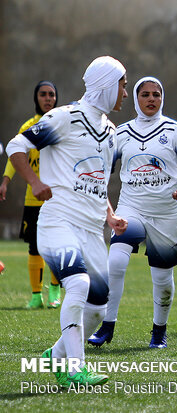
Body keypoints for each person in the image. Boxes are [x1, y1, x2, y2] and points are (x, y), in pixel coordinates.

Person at [7, 56, 128, 387]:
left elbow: (98, 182)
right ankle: (75, 369)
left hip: (92, 230)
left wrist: (111, 215)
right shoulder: (63, 117)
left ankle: (55, 356)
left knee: (99, 309)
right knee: (79, 284)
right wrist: (33, 181)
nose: (126, 92)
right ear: (105, 84)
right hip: (57, 221)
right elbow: (16, 146)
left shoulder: (111, 132)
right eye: (122, 84)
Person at [87, 76, 177, 349]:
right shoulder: (122, 133)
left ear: (162, 98)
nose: (151, 99)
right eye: (145, 94)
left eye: (156, 94)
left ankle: (159, 332)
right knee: (115, 261)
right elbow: (102, 174)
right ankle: (107, 326)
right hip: (132, 208)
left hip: (166, 213)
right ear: (136, 99)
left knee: (162, 278)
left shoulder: (175, 131)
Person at [0, 80, 62, 309]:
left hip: (57, 198)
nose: (48, 98)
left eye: (52, 94)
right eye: (43, 94)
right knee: (34, 247)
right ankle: (36, 295)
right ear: (36, 98)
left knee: (57, 246)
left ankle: (55, 291)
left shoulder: (61, 124)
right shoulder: (28, 126)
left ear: (57, 98)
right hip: (32, 198)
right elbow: (14, 155)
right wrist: (5, 182)